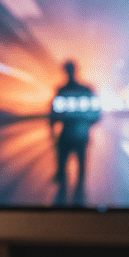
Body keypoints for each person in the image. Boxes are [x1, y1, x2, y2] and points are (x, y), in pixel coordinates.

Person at [49, 61, 100, 205]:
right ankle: (77, 199)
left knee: (65, 171)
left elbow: (53, 115)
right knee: (79, 172)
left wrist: (53, 129)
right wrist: (85, 124)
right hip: (79, 136)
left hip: (67, 136)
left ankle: (65, 198)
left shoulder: (62, 91)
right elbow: (96, 115)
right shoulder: (86, 90)